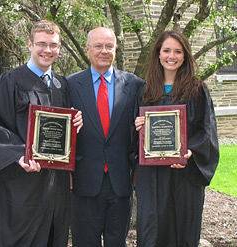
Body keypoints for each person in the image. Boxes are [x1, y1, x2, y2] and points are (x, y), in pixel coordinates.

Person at [0, 20, 82, 247]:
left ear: (59, 47)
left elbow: (66, 134)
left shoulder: (61, 85)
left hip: (54, 185)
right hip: (21, 183)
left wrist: (76, 120)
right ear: (29, 44)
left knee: (53, 234)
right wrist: (19, 155)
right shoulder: (11, 81)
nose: (47, 50)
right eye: (41, 44)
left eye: (53, 45)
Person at [134, 30, 219, 247]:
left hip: (185, 175)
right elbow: (130, 136)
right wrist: (137, 126)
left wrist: (190, 151)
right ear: (158, 54)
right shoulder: (144, 91)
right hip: (152, 176)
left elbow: (207, 131)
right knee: (153, 231)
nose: (172, 56)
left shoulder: (197, 89)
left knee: (184, 231)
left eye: (178, 51)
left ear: (185, 56)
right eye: (167, 50)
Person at [66, 27, 144, 246]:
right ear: (88, 49)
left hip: (120, 182)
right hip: (83, 182)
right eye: (98, 46)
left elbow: (143, 132)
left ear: (115, 49)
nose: (104, 51)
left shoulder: (135, 85)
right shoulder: (69, 85)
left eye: (109, 46)